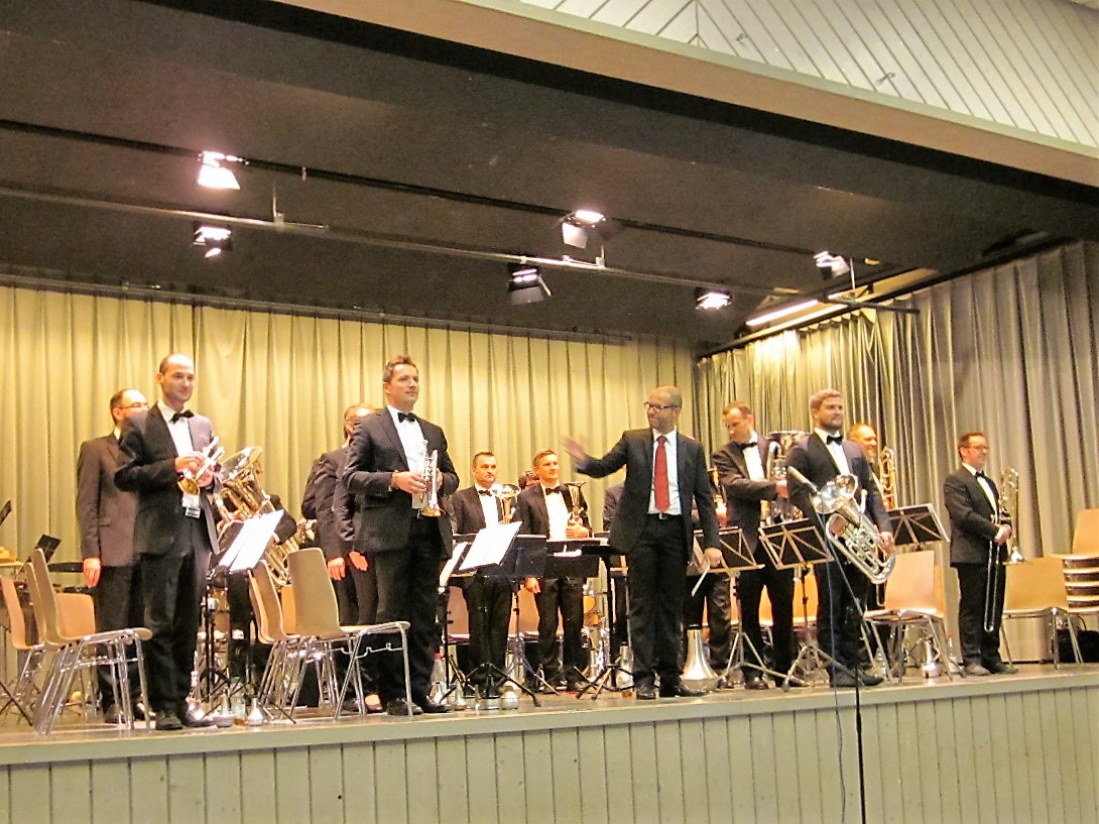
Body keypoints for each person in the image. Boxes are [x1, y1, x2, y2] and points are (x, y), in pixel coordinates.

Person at [564, 385, 721, 700]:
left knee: (672, 608)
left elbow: (705, 498)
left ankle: (670, 678)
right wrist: (583, 459)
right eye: (649, 405)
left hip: (675, 532)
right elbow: (603, 467)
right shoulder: (632, 439)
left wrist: (712, 542)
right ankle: (643, 679)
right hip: (642, 532)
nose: (651, 411)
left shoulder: (692, 448)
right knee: (642, 606)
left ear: (675, 411)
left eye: (659, 407)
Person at [342, 355, 460, 715]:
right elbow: (350, 476)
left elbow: (453, 477)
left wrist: (441, 480)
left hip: (428, 527)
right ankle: (393, 693)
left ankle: (419, 690)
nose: (412, 384)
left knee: (424, 615)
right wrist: (394, 480)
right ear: (387, 387)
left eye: (416, 379)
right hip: (390, 532)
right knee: (391, 613)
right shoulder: (369, 426)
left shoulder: (433, 430)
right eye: (405, 379)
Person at [114, 354, 218, 730]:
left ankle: (181, 699)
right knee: (159, 622)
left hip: (197, 531)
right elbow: (124, 476)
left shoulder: (202, 424)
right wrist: (172, 467)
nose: (185, 383)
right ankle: (162, 706)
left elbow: (216, 475)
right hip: (160, 533)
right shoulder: (139, 422)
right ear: (160, 378)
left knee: (189, 622)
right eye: (178, 376)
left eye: (190, 377)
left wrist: (210, 479)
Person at [785, 389, 894, 689]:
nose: (837, 412)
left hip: (859, 535)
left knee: (855, 604)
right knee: (832, 604)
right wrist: (826, 520)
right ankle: (836, 668)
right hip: (829, 539)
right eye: (831, 407)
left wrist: (883, 527)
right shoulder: (802, 449)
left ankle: (855, 664)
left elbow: (871, 490)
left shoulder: (854, 450)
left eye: (840, 407)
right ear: (815, 412)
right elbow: (798, 493)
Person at [711, 402, 796, 689]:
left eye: (735, 424)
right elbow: (735, 485)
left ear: (750, 419)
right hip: (748, 540)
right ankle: (752, 671)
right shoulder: (723, 455)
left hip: (778, 535)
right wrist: (774, 488)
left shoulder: (775, 447)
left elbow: (792, 480)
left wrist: (786, 484)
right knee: (749, 609)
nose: (731, 430)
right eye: (728, 426)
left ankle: (785, 669)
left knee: (783, 606)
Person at [76, 387, 149, 722]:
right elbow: (87, 505)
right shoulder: (95, 449)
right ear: (118, 412)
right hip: (112, 550)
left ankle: (134, 696)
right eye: (136, 405)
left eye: (146, 405)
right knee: (112, 628)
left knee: (139, 630)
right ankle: (111, 700)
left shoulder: (150, 452)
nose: (144, 410)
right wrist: (91, 553)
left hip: (147, 550)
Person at [943, 432, 1018, 676]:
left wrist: (1007, 526)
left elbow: (999, 512)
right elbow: (963, 515)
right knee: (973, 607)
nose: (984, 452)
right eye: (978, 447)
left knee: (994, 606)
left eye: (986, 447)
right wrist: (995, 531)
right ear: (963, 451)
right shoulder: (955, 480)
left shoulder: (990, 483)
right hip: (971, 553)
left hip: (994, 553)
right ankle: (971, 658)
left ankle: (991, 656)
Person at [517, 449, 591, 691]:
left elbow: (587, 527)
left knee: (574, 622)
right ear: (537, 470)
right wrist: (528, 573)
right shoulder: (526, 497)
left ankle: (573, 674)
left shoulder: (572, 493)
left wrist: (583, 532)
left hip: (572, 562)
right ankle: (550, 674)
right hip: (544, 564)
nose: (553, 467)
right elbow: (525, 535)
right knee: (547, 623)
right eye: (547, 464)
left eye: (555, 463)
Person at [303, 404, 374, 624]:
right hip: (345, 549)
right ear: (350, 426)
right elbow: (324, 509)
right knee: (349, 615)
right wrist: (334, 553)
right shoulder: (332, 460)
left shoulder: (378, 460)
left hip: (374, 548)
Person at [447, 451, 512, 690]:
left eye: (493, 466)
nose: (490, 471)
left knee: (500, 625)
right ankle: (480, 676)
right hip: (475, 571)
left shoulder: (505, 498)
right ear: (474, 471)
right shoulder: (460, 498)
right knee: (479, 624)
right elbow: (456, 533)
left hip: (502, 571)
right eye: (485, 466)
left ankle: (498, 675)